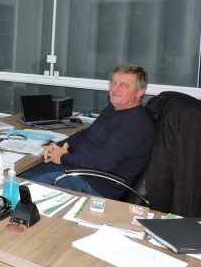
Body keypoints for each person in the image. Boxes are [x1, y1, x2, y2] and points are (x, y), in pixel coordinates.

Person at [20, 63, 155, 199]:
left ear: (140, 91)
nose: (115, 89)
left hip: (93, 186)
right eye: (113, 83)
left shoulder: (136, 124)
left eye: (124, 86)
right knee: (18, 176)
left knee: (23, 190)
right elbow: (85, 135)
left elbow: (103, 161)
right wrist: (56, 146)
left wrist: (62, 158)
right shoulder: (113, 109)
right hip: (75, 170)